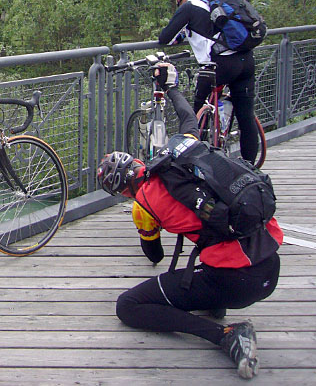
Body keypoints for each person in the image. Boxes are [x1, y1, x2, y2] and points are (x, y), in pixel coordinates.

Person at [97, 62, 282, 380]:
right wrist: (169, 87)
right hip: (270, 266)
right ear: (138, 161)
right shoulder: (183, 150)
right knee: (209, 245)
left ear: (123, 193)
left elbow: (154, 256)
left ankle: (225, 336)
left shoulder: (144, 204)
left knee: (128, 305)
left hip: (235, 281)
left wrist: (149, 228)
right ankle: (216, 301)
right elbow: (186, 116)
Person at [158, 0, 260, 164]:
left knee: (195, 111)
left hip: (219, 66)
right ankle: (250, 168)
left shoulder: (189, 7)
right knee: (246, 117)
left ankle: (201, 163)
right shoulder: (212, 5)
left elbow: (165, 38)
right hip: (245, 59)